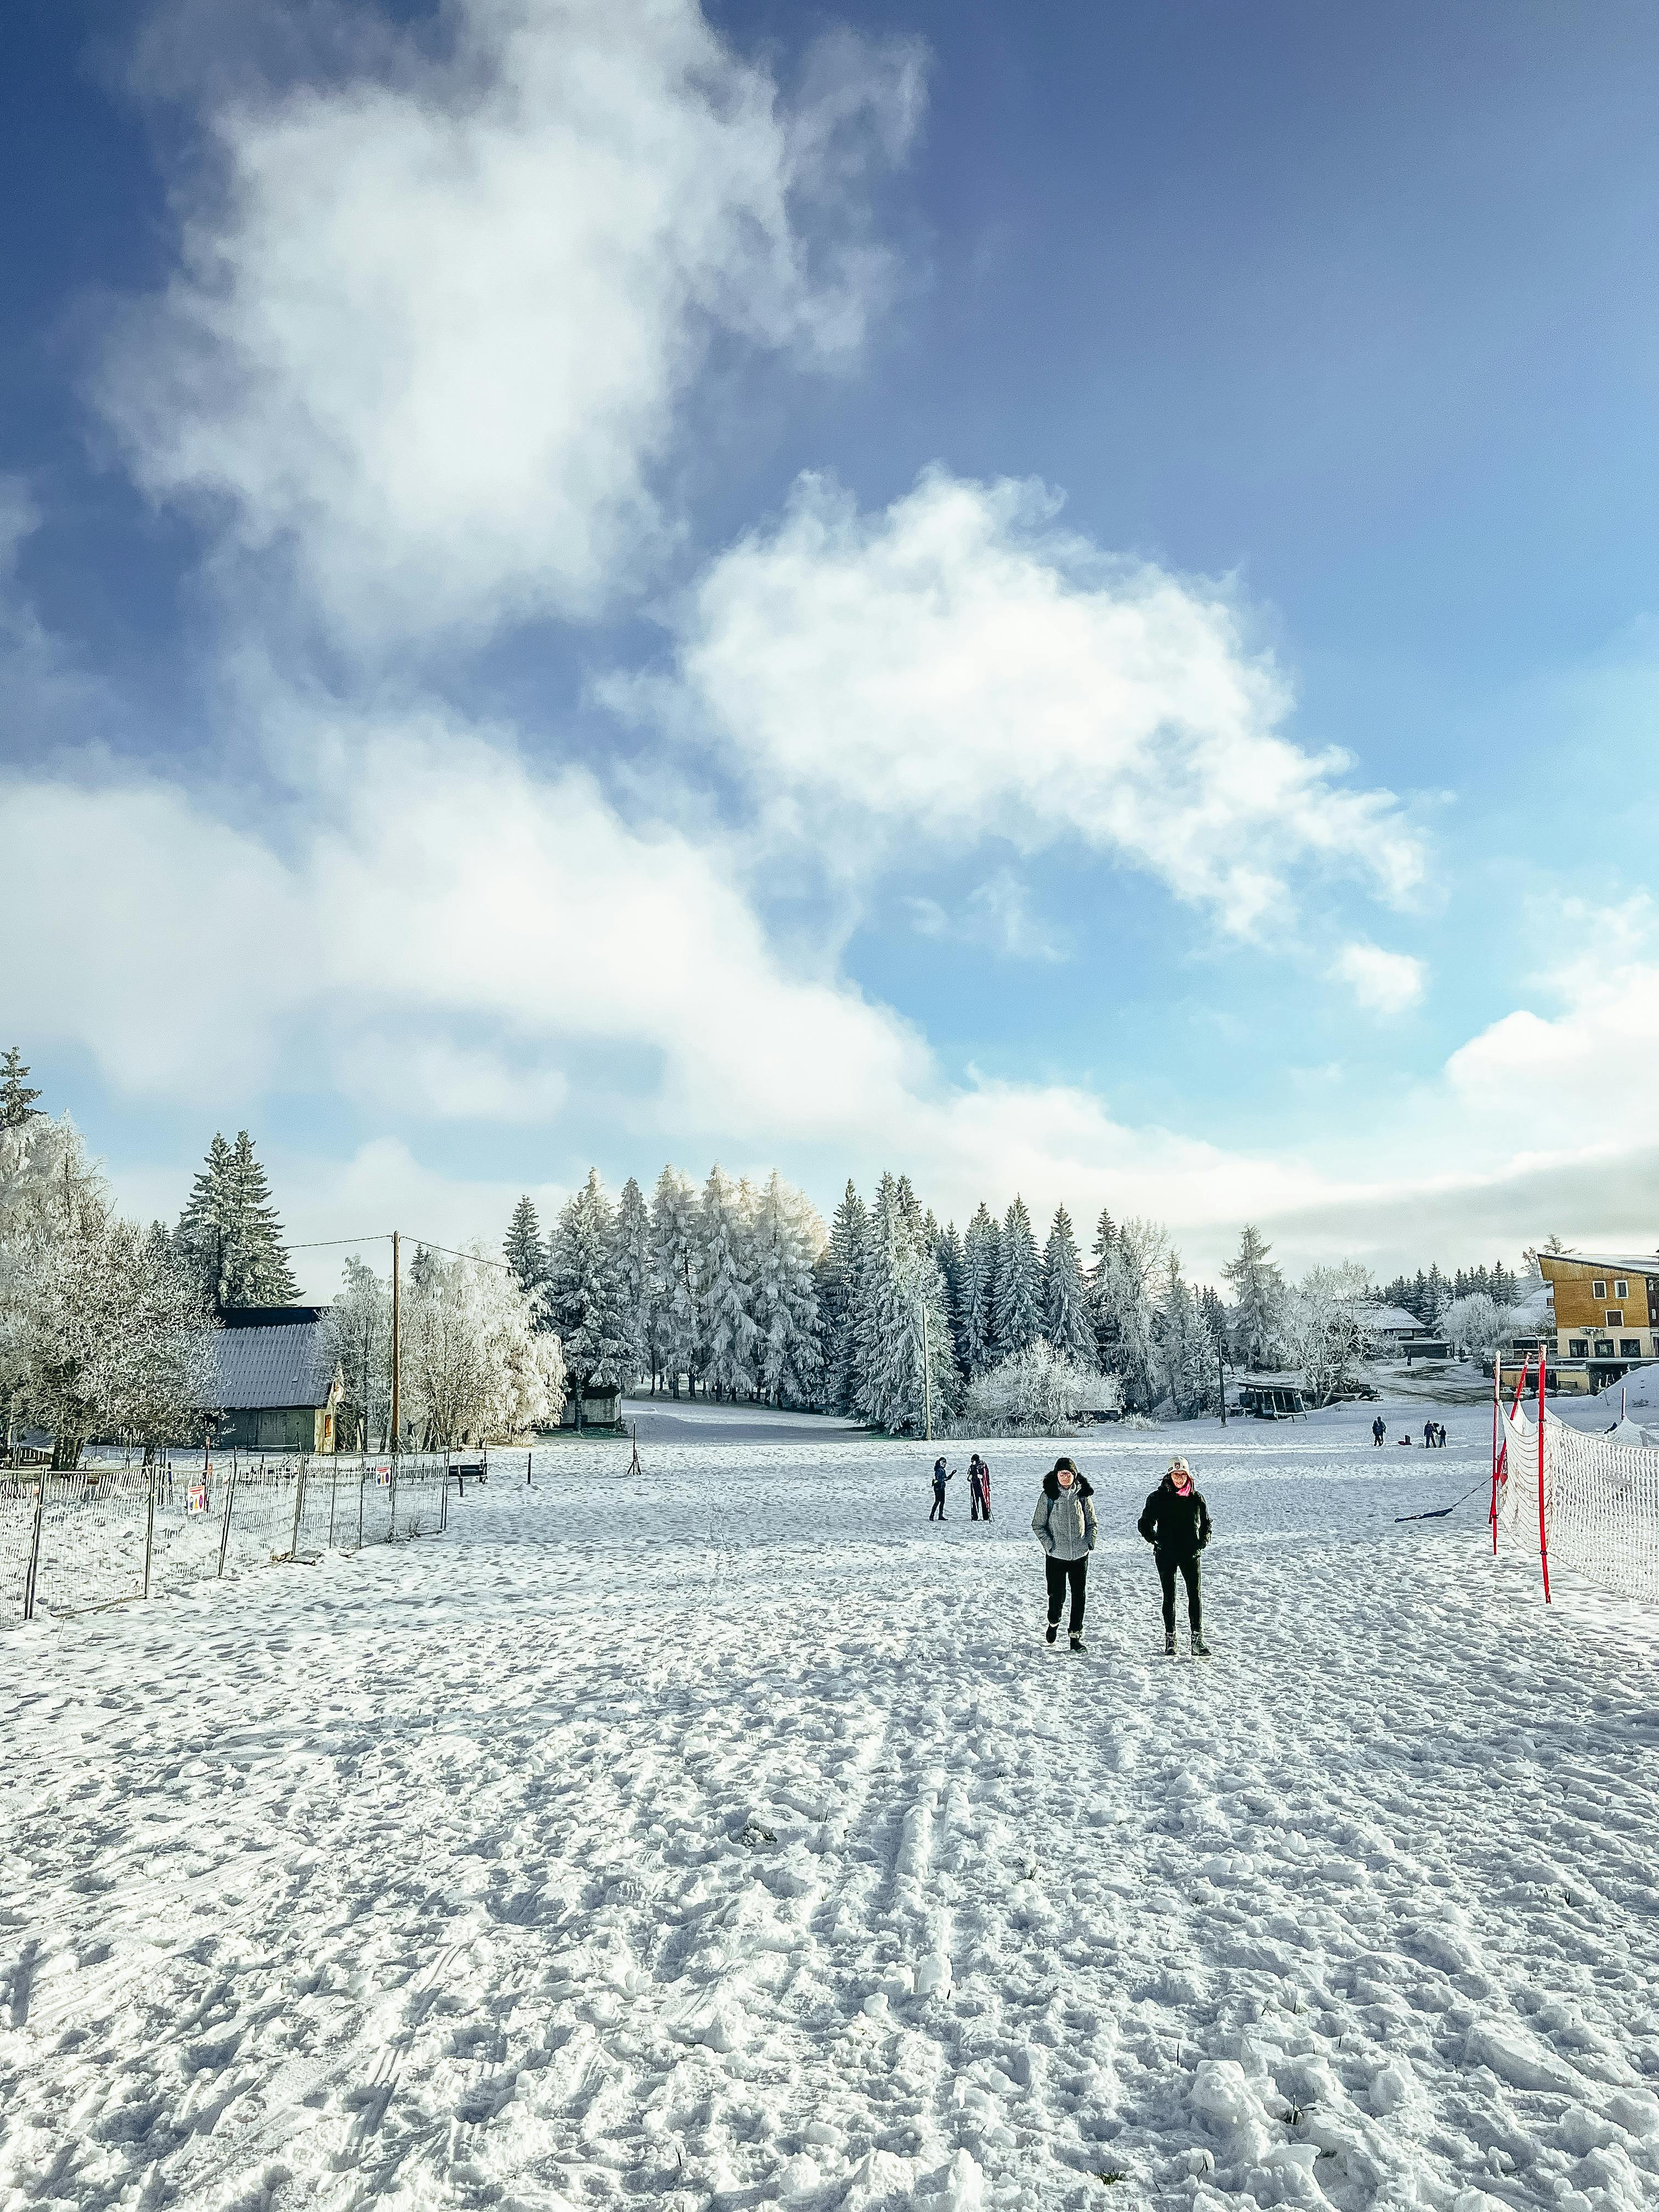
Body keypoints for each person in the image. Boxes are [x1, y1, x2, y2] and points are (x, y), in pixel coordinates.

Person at [1138, 1455, 1211, 1657]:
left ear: (1188, 1476)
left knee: (1194, 1596)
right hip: (1166, 1555)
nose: (1179, 1478)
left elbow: (1206, 1523)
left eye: (1183, 1474)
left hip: (1191, 1554)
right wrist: (1155, 1540)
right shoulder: (1157, 1498)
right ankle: (1171, 1638)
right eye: (1175, 1474)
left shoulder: (1197, 1498)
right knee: (1169, 1596)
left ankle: (1197, 1639)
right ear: (1169, 1476)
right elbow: (1144, 1524)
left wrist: (1203, 1540)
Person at [1032, 1456, 1096, 1652]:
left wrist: (1089, 1542)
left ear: (1074, 1475)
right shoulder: (1048, 1496)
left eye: (1069, 1474)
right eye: (1062, 1474)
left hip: (1079, 1555)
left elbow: (1092, 1522)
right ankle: (1053, 1622)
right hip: (1056, 1556)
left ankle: (1075, 1637)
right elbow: (1038, 1525)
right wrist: (1049, 1546)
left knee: (1079, 1596)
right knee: (1057, 1595)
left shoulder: (1083, 1495)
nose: (1066, 1478)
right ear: (1056, 1476)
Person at [929, 1457, 954, 1521]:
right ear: (942, 1463)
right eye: (945, 1463)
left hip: (942, 1487)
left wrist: (952, 1474)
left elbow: (946, 1478)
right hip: (938, 1488)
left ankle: (940, 1516)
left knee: (942, 1502)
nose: (946, 1465)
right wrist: (944, 1479)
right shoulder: (939, 1470)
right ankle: (932, 1516)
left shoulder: (943, 1470)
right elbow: (939, 1479)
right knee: (937, 1502)